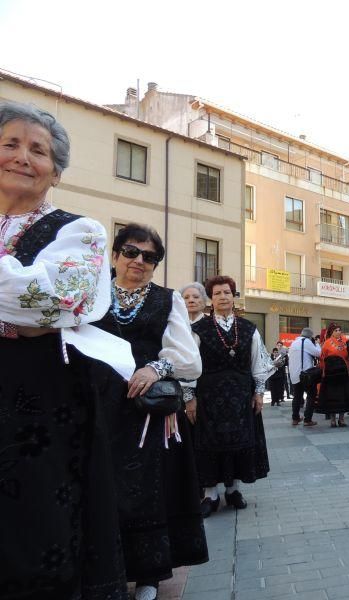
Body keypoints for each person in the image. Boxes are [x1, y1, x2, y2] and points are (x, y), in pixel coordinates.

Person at [0, 101, 129, 600]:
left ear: (55, 172)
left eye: (38, 150)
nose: (21, 157)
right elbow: (28, 303)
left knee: (35, 529)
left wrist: (32, 314)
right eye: (10, 144)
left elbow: (57, 300)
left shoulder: (80, 231)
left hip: (38, 401)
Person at [94, 223, 207, 600]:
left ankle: (148, 575)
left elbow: (189, 360)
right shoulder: (90, 291)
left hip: (146, 412)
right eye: (130, 252)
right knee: (99, 487)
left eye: (150, 257)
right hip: (95, 406)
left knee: (145, 491)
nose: (139, 261)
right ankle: (102, 570)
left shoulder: (167, 299)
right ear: (114, 255)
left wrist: (155, 367)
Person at [190, 275, 273, 517]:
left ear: (233, 296)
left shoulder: (248, 328)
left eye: (227, 292)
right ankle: (210, 494)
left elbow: (259, 361)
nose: (222, 297)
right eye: (217, 293)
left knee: (239, 441)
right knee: (208, 444)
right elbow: (189, 364)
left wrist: (259, 392)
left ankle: (233, 490)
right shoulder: (198, 329)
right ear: (211, 299)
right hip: (208, 397)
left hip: (241, 397)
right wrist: (189, 397)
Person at [316, 322, 349, 427]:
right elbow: (322, 358)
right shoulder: (327, 343)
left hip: (343, 372)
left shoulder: (345, 342)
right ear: (332, 333)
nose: (338, 332)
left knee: (343, 395)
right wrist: (324, 370)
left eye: (339, 330)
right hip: (331, 374)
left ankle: (342, 419)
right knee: (332, 396)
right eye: (336, 330)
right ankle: (333, 420)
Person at [180, 281, 207, 425]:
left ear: (204, 301)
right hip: (178, 390)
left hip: (206, 388)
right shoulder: (174, 326)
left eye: (196, 297)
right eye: (186, 297)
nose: (191, 300)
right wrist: (188, 396)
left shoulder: (211, 326)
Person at [288, 327, 321, 426]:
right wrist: (318, 343)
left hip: (294, 374)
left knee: (297, 397)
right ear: (310, 336)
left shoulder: (294, 343)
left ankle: (295, 418)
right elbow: (318, 353)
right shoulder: (306, 342)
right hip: (306, 375)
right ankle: (307, 419)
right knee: (311, 395)